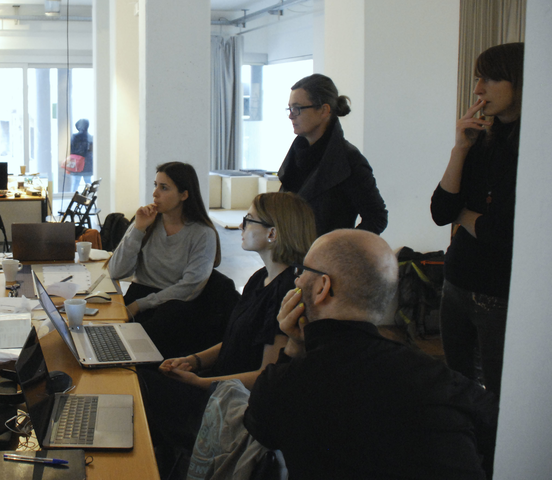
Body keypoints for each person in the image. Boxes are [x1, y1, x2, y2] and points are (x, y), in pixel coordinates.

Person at [244, 229, 498, 480]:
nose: (297, 281)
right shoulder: (441, 379)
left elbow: (261, 428)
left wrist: (293, 347)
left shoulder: (284, 385)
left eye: (302, 272)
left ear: (322, 287)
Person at [140, 192, 316, 478]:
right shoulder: (259, 279)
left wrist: (201, 382)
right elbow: (236, 339)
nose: (242, 226)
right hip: (218, 387)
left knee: (142, 387)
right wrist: (194, 360)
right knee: (143, 375)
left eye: (249, 220)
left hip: (235, 406)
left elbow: (266, 375)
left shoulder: (286, 293)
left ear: (272, 234)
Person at [431, 42, 523, 398]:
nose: (478, 90)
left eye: (490, 79)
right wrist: (460, 148)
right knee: (457, 388)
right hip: (456, 281)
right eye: (477, 79)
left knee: (499, 396)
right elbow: (441, 212)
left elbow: (502, 232)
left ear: (520, 81)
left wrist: (465, 215)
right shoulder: (481, 140)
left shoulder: (533, 149)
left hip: (499, 293)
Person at [108, 161, 221, 356]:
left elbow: (190, 287)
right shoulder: (147, 222)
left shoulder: (202, 234)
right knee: (106, 336)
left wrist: (139, 305)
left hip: (173, 306)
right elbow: (116, 271)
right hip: (139, 295)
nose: (155, 193)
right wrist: (138, 229)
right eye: (155, 185)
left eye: (164, 187)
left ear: (184, 195)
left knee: (125, 347)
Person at [277, 73, 388, 236]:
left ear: (324, 110)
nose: (291, 115)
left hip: (324, 252)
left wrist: (337, 246)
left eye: (297, 108)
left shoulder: (350, 160)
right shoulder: (297, 154)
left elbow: (377, 217)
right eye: (290, 108)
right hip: (289, 250)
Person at [67, 118, 93, 191]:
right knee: (88, 182)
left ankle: (73, 196)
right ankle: (91, 195)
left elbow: (72, 150)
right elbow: (91, 151)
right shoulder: (90, 137)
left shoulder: (75, 137)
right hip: (87, 163)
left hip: (77, 163)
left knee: (76, 182)